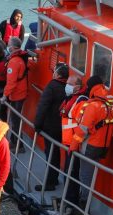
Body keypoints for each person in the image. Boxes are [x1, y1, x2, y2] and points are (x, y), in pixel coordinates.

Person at [69, 75, 113, 207]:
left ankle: (83, 207)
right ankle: (84, 202)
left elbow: (82, 130)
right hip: (103, 147)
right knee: (90, 176)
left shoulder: (93, 106)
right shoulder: (112, 106)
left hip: (90, 147)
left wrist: (73, 147)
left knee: (85, 176)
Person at [34, 63, 69, 191]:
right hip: (63, 127)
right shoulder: (68, 87)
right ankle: (55, 178)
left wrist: (37, 125)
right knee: (57, 153)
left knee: (51, 154)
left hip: (50, 126)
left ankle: (50, 182)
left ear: (58, 74)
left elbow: (43, 106)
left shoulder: (52, 87)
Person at [59, 75, 87, 215]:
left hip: (74, 144)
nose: (67, 86)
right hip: (68, 143)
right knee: (68, 173)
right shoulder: (71, 98)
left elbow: (81, 126)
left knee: (72, 174)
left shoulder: (81, 102)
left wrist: (74, 144)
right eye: (67, 83)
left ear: (77, 86)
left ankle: (71, 202)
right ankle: (68, 200)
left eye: (70, 84)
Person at [0, 37, 28, 152]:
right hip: (20, 92)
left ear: (13, 47)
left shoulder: (14, 62)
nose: (8, 46)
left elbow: (11, 82)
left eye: (9, 44)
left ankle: (18, 145)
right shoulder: (18, 59)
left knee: (15, 121)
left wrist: (4, 96)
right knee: (15, 120)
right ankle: (15, 141)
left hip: (17, 94)